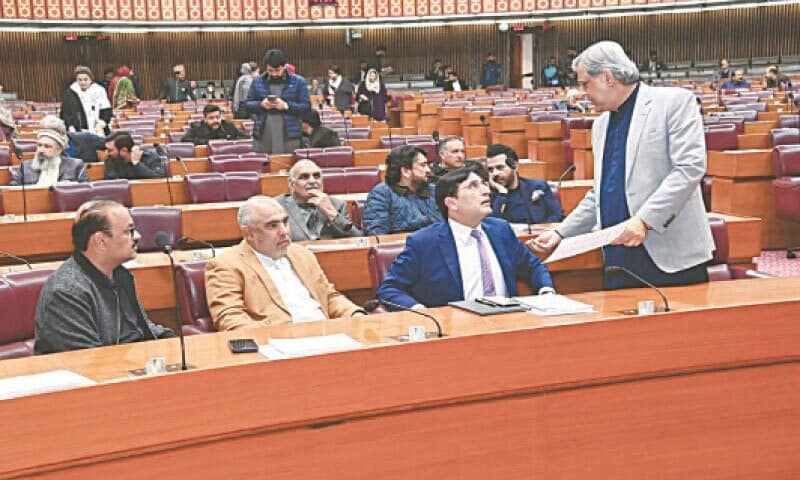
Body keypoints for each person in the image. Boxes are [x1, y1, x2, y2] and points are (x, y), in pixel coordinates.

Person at [529, 41, 713, 290]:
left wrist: (644, 220)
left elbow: (688, 169)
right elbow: (601, 192)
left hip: (670, 254)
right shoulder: (600, 125)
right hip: (618, 255)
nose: (582, 93)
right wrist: (561, 233)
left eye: (585, 84)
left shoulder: (674, 103)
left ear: (608, 77)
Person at [377, 166, 555, 309]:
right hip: (456, 329)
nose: (486, 191)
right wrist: (420, 311)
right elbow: (390, 288)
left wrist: (546, 291)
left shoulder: (500, 230)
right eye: (473, 186)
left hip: (508, 322)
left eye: (484, 184)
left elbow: (533, 266)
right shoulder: (424, 242)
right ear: (452, 203)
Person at [34, 200, 175, 354]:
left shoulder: (120, 275)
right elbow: (89, 358)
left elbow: (140, 328)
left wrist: (172, 343)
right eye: (129, 231)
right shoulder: (66, 292)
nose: (138, 236)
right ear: (101, 241)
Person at [205, 196, 366, 330]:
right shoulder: (226, 265)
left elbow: (329, 296)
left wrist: (354, 314)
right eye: (272, 226)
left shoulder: (302, 254)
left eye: (285, 222)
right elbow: (231, 319)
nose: (284, 231)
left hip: (326, 333)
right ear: (249, 233)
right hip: (278, 343)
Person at [362, 145, 443, 235]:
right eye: (422, 165)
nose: (428, 170)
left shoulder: (434, 190)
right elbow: (376, 234)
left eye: (427, 165)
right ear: (405, 171)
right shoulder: (381, 194)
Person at [275, 159, 361, 241]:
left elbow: (357, 239)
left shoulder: (337, 204)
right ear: (291, 183)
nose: (312, 181)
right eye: (304, 177)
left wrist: (331, 213)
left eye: (316, 176)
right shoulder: (277, 205)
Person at [246, 48, 311, 154]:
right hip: (263, 134)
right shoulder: (257, 82)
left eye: (277, 70)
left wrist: (287, 106)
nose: (274, 74)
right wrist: (261, 105)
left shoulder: (299, 82)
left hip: (290, 136)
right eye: (270, 71)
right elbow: (248, 104)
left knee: (288, 162)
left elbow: (306, 106)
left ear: (285, 66)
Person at [486, 144, 564, 225]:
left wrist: (540, 228)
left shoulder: (538, 187)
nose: (495, 173)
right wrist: (502, 194)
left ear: (515, 165)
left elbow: (558, 216)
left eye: (500, 167)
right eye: (490, 170)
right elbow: (491, 224)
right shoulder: (488, 195)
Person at [10, 127, 88, 186]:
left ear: (59, 150)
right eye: (39, 145)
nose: (41, 150)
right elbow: (12, 190)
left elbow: (85, 190)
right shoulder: (25, 166)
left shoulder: (75, 165)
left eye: (47, 146)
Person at [60, 65, 111, 134]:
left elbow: (106, 111)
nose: (83, 82)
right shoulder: (70, 93)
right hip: (78, 131)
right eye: (80, 80)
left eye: (85, 79)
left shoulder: (99, 90)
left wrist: (101, 124)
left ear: (91, 79)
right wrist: (70, 126)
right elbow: (65, 114)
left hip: (98, 129)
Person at [181, 104, 249, 145]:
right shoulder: (197, 127)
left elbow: (246, 137)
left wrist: (228, 141)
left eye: (218, 117)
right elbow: (185, 140)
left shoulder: (228, 125)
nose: (215, 120)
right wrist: (209, 142)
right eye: (211, 118)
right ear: (204, 119)